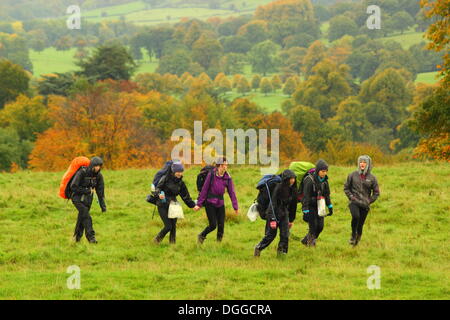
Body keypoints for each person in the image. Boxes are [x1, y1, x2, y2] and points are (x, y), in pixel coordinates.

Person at [194, 157, 239, 244]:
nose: (226, 167)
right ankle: (202, 235)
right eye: (224, 165)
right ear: (219, 166)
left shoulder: (227, 177)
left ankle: (218, 244)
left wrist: (235, 206)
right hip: (209, 202)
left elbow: (232, 192)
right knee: (213, 225)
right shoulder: (211, 175)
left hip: (220, 203)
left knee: (221, 225)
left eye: (226, 165)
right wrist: (199, 204)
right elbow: (204, 189)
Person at [254, 169, 297, 257]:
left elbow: (293, 206)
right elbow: (272, 204)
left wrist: (291, 220)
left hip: (284, 214)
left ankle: (281, 254)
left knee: (285, 235)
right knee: (271, 235)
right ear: (286, 179)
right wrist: (272, 219)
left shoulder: (293, 189)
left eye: (294, 178)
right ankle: (258, 248)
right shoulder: (278, 188)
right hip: (274, 213)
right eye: (291, 178)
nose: (292, 180)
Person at [153, 162, 196, 244]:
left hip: (173, 205)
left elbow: (186, 196)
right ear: (173, 171)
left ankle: (173, 245)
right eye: (178, 172)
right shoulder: (165, 178)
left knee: (173, 227)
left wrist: (193, 205)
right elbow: (157, 189)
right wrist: (159, 194)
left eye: (181, 171)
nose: (180, 173)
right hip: (162, 204)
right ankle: (156, 240)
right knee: (168, 226)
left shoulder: (181, 183)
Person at [344, 155, 380, 246]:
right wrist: (351, 197)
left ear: (368, 164)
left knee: (360, 224)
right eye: (360, 162)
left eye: (364, 162)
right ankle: (353, 235)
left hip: (365, 204)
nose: (362, 164)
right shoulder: (352, 175)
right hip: (354, 202)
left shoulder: (372, 178)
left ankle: (356, 240)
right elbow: (346, 188)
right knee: (356, 217)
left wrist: (369, 201)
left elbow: (376, 193)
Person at [70, 156, 106, 243]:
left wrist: (103, 206)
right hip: (77, 199)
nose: (98, 168)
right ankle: (91, 238)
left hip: (88, 200)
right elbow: (73, 186)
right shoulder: (82, 172)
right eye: (96, 166)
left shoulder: (99, 176)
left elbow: (100, 192)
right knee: (86, 216)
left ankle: (77, 239)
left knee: (82, 219)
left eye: (99, 166)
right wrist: (86, 191)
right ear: (92, 165)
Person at [301, 159, 333, 247]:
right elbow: (305, 197)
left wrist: (330, 206)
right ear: (318, 170)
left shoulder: (325, 181)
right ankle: (311, 243)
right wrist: (305, 211)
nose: (324, 173)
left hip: (320, 206)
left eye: (326, 171)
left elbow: (327, 195)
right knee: (313, 226)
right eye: (323, 171)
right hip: (310, 207)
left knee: (320, 227)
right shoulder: (309, 180)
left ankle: (305, 240)